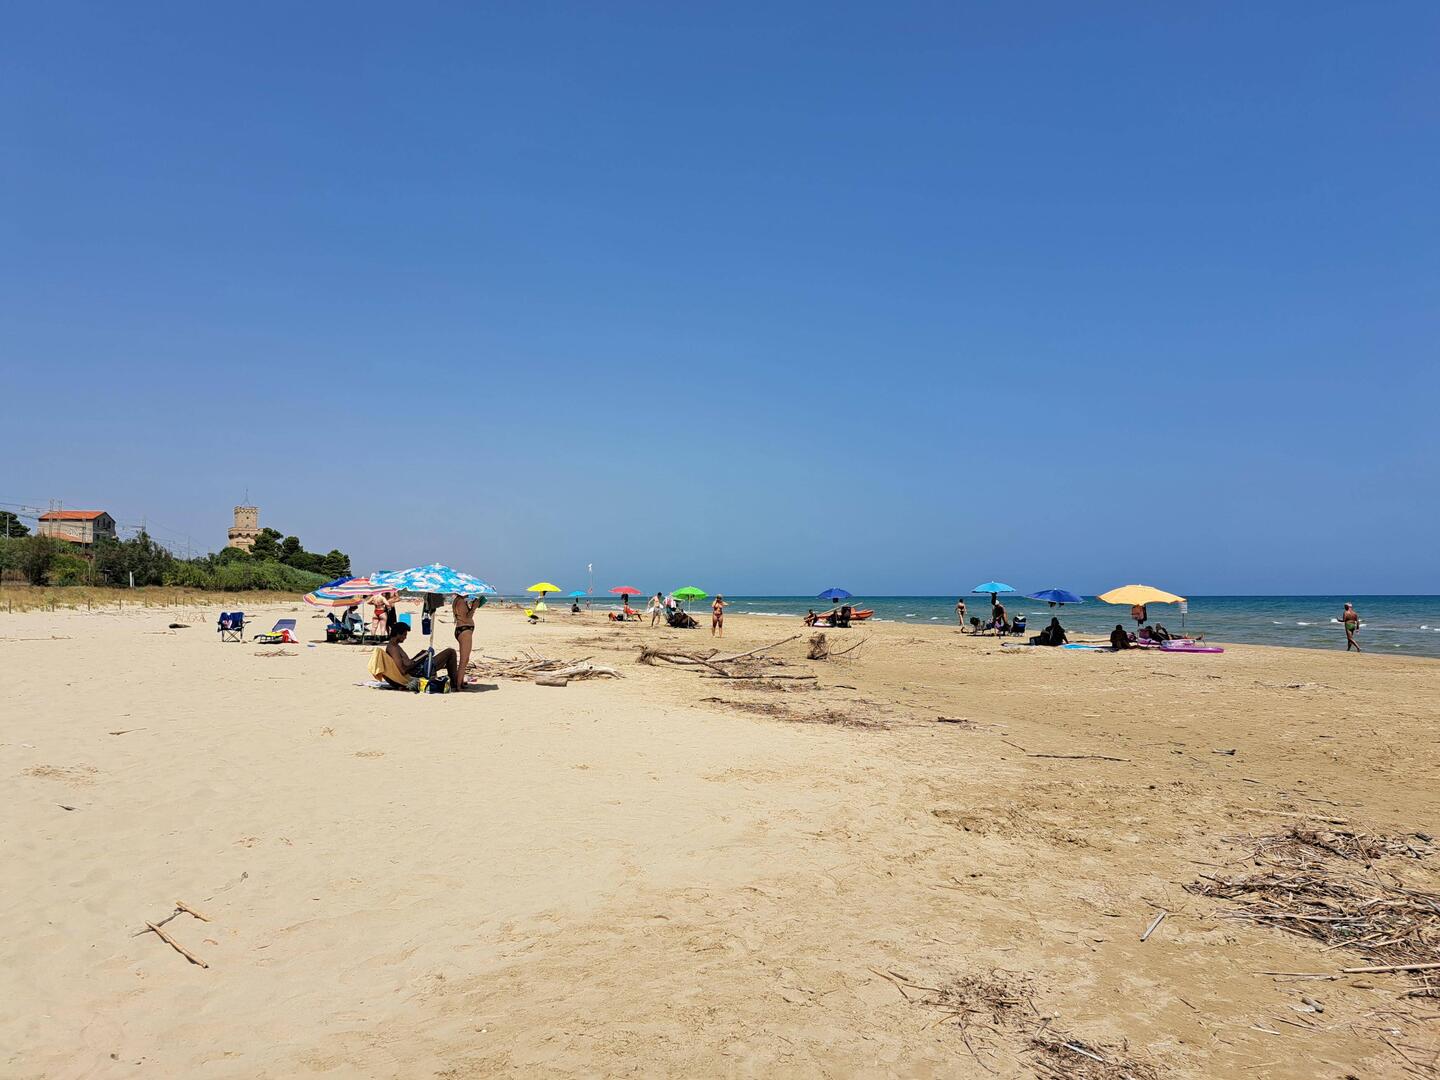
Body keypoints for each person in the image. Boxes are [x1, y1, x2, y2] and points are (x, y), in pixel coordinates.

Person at [382, 622, 460, 690]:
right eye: (404, 634)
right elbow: (403, 670)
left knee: (447, 653)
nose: (405, 637)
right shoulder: (393, 648)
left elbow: (407, 663)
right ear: (398, 634)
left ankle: (454, 681)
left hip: (417, 669)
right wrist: (421, 658)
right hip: (418, 672)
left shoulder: (394, 646)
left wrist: (419, 655)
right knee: (450, 652)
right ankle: (455, 683)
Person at [453, 593, 485, 688]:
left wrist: (472, 606)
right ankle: (458, 685)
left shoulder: (460, 601)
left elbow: (465, 615)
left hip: (464, 630)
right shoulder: (460, 601)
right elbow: (467, 617)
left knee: (466, 659)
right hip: (464, 631)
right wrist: (474, 607)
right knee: (463, 660)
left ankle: (461, 682)